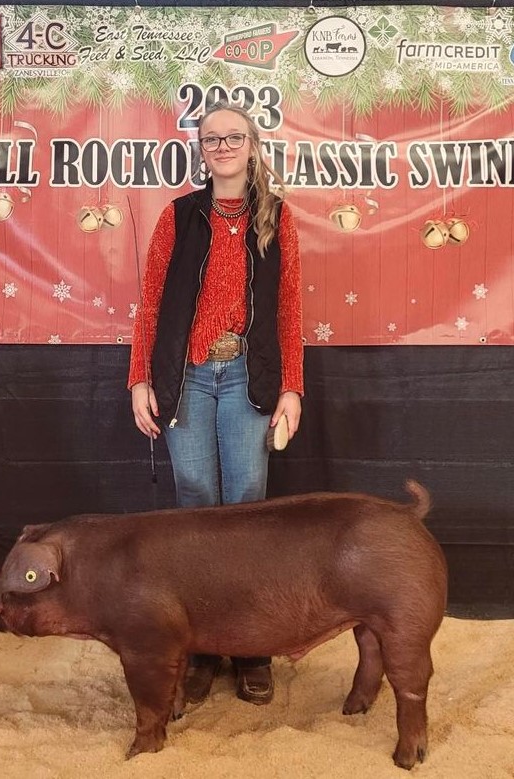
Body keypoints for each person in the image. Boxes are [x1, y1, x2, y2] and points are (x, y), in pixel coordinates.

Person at [129, 101, 304, 707]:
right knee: (196, 508)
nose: (222, 145)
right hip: (187, 379)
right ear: (200, 150)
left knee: (247, 510)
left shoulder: (277, 218)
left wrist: (291, 388)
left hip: (248, 378)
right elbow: (150, 304)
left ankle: (252, 645)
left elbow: (288, 312)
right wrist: (139, 380)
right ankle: (203, 644)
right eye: (211, 138)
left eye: (233, 136)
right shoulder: (178, 216)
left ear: (253, 145)